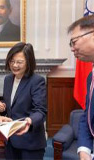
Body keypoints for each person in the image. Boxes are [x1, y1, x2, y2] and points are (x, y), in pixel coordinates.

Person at [0, 42, 47, 159]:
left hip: (30, 143)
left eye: (19, 62)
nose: (14, 65)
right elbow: (10, 106)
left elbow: (40, 111)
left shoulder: (36, 81)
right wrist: (2, 107)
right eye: (12, 61)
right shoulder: (8, 80)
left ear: (28, 62)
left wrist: (29, 121)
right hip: (10, 140)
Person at [68, 15, 94, 160]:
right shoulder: (91, 77)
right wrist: (84, 149)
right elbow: (87, 116)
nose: (72, 49)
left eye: (74, 42)